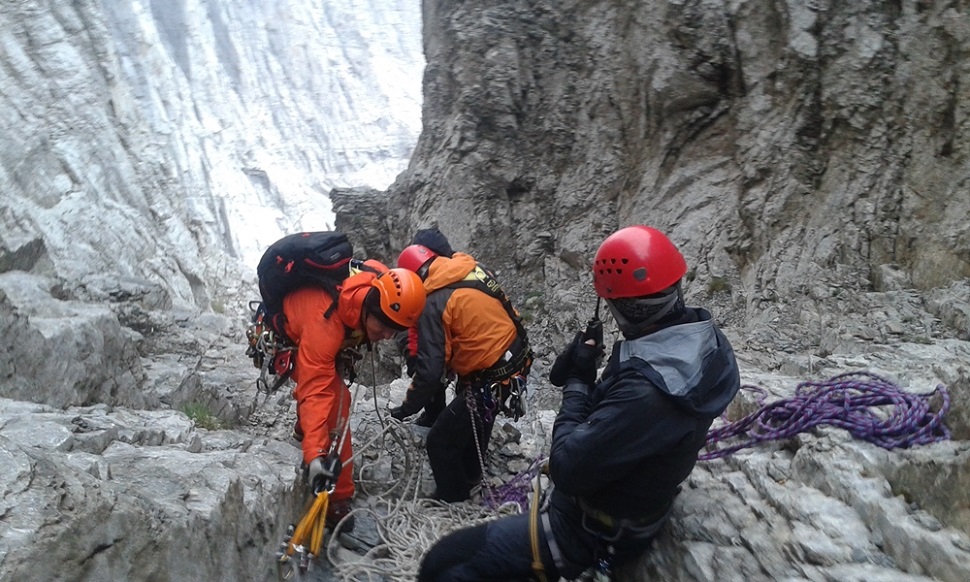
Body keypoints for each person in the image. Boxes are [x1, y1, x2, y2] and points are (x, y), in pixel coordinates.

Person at [417, 225, 740, 581]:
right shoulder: (705, 341)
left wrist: (578, 382)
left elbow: (566, 467)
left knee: (443, 565)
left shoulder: (647, 393)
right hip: (634, 504)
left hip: (587, 530)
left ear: (619, 307)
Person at [286, 265, 426, 531]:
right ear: (370, 308)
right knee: (338, 401)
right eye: (384, 326)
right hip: (296, 332)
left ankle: (305, 429)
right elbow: (315, 390)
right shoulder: (325, 322)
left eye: (393, 330)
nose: (386, 336)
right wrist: (315, 456)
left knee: (334, 398)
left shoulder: (376, 288)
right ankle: (338, 497)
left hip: (326, 337)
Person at [390, 244, 533, 502]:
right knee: (477, 416)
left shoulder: (433, 301)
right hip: (515, 360)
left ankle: (453, 499)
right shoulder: (469, 269)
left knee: (439, 443)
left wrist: (407, 407)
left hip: (489, 376)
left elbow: (431, 372)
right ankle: (471, 473)